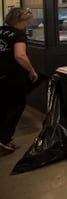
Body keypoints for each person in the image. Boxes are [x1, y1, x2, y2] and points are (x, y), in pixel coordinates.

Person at [0, 8, 39, 154]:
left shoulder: (0, 30)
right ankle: (4, 139)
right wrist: (31, 71)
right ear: (19, 20)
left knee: (2, 106)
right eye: (26, 21)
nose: (28, 24)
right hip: (11, 76)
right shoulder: (18, 34)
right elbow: (20, 56)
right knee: (16, 106)